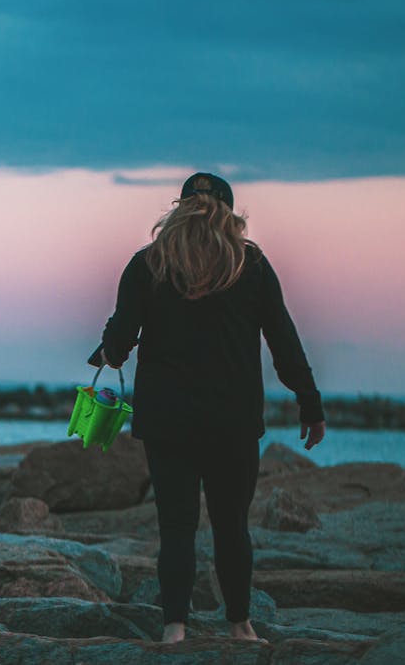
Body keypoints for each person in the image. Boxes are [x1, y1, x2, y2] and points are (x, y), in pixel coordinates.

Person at [89, 173, 326, 644]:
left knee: (176, 526)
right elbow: (283, 340)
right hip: (232, 422)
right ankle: (240, 624)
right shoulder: (251, 264)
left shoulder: (148, 264)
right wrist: (310, 404)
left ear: (179, 208)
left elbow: (118, 343)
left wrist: (110, 351)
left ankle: (174, 628)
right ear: (230, 215)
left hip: (166, 421)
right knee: (231, 526)